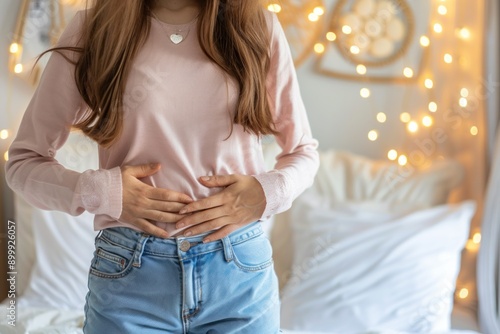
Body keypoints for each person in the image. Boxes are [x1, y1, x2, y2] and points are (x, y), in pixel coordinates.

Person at [5, 0, 319, 332]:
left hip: (238, 276)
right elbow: (23, 164)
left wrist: (266, 192)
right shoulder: (93, 29)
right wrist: (102, 191)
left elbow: (302, 152)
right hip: (130, 279)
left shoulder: (259, 28)